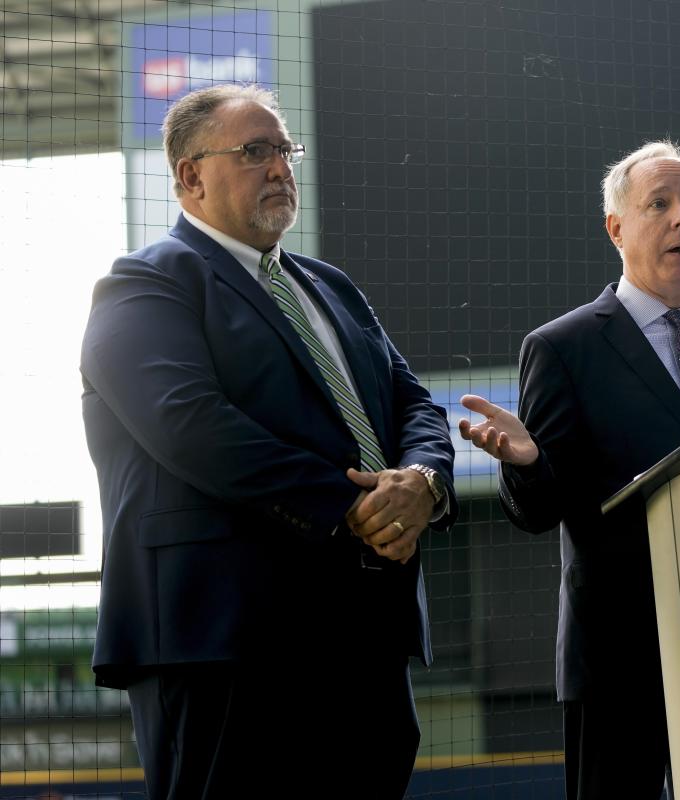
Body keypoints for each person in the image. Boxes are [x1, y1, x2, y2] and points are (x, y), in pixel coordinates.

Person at [80, 84, 457, 799]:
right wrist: (353, 508)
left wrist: (424, 482)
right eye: (256, 151)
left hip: (365, 640)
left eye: (286, 150)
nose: (281, 167)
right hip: (224, 643)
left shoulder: (331, 286)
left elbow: (412, 402)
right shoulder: (142, 284)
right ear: (190, 176)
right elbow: (188, 424)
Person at [459, 141, 680, 800]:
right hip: (621, 665)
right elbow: (535, 512)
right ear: (616, 228)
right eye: (660, 204)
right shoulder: (564, 348)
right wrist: (531, 462)